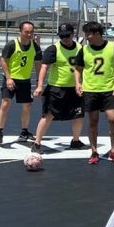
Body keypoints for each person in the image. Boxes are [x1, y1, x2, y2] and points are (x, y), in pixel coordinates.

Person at [76, 21, 114, 165]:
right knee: (93, 121)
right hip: (91, 90)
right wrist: (78, 83)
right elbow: (78, 68)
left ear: (97, 34)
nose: (87, 37)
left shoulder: (112, 48)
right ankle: (94, 151)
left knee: (113, 119)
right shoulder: (84, 50)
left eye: (88, 34)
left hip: (109, 90)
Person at [32, 23, 84, 154]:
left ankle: (76, 141)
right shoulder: (53, 49)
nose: (65, 38)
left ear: (73, 34)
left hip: (75, 89)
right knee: (48, 115)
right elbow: (44, 68)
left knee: (79, 115)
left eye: (67, 36)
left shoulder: (80, 48)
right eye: (62, 36)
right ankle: (37, 143)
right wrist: (39, 86)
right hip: (56, 89)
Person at [0, 21, 42, 146]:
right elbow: (3, 61)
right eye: (26, 32)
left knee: (27, 106)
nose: (29, 34)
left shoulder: (35, 47)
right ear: (20, 32)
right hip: (11, 79)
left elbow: (38, 64)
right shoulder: (12, 44)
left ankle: (24, 131)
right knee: (5, 103)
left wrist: (39, 82)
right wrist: (8, 78)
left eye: (31, 32)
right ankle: (0, 132)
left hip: (25, 81)